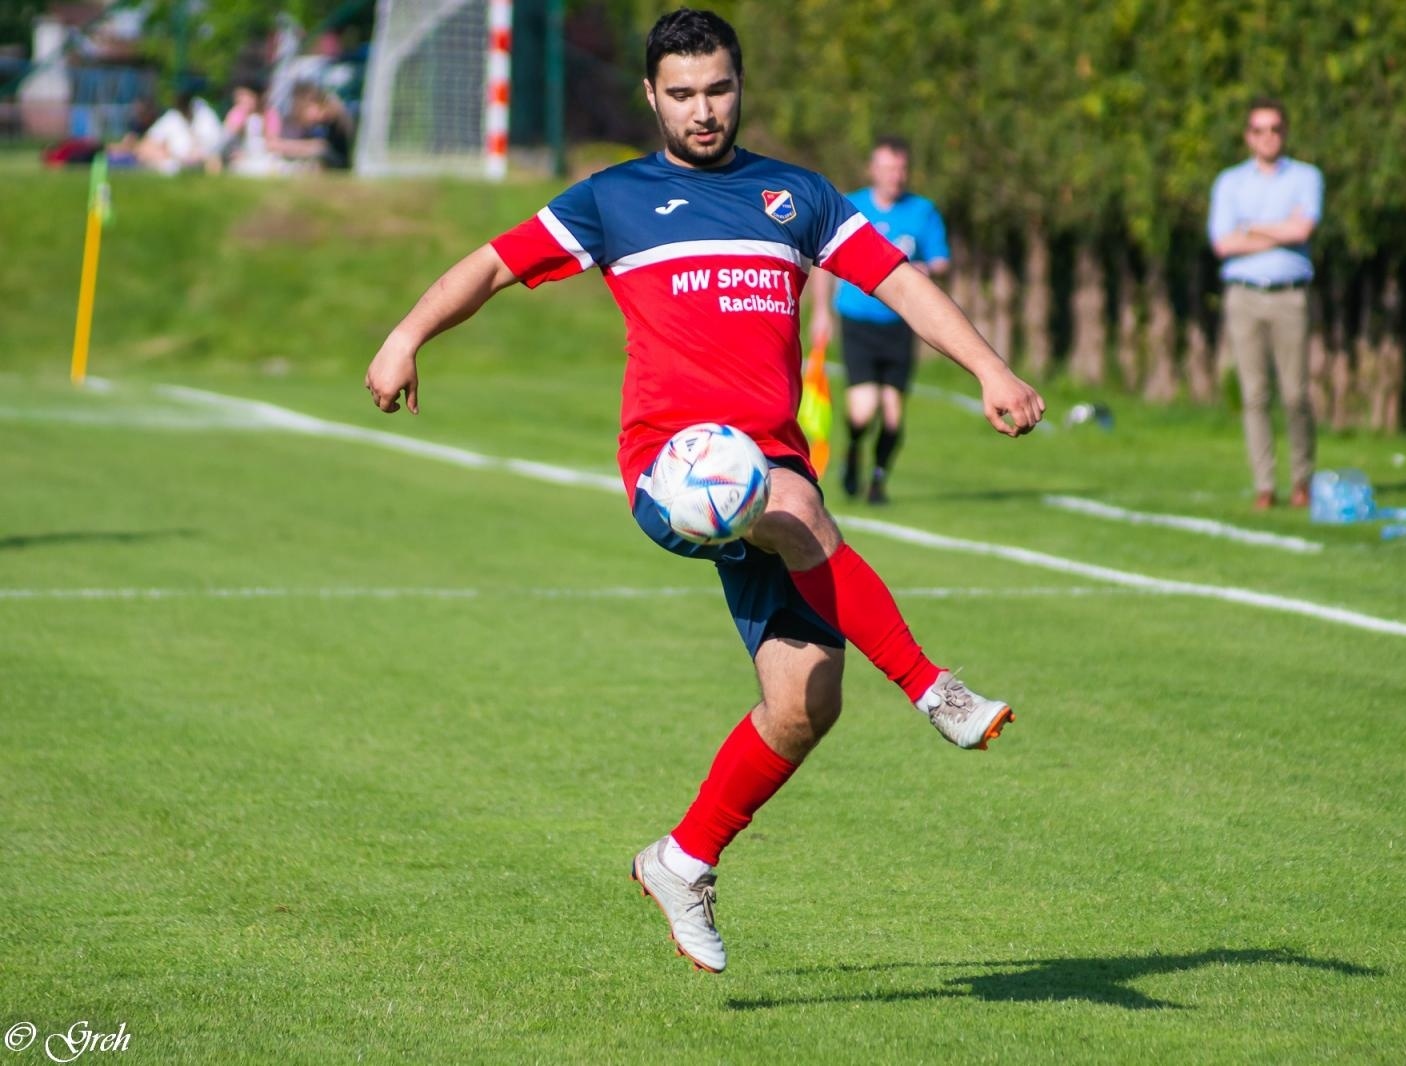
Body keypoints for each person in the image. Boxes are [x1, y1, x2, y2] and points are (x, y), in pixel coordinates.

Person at [363, 9, 1045, 975]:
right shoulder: (615, 200)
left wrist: (989, 369)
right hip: (672, 469)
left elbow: (894, 282)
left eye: (717, 89)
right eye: (681, 94)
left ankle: (681, 860)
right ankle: (935, 689)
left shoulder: (795, 196)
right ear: (651, 96)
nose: (702, 110)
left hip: (772, 467)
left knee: (806, 701)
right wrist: (404, 336)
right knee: (797, 510)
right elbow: (492, 264)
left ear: (739, 85)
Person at [807, 137, 949, 504]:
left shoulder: (922, 212)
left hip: (901, 324)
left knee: (892, 416)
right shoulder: (851, 206)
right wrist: (822, 311)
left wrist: (926, 269)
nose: (895, 176)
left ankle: (878, 481)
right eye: (887, 168)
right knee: (862, 409)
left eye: (900, 169)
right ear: (873, 170)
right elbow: (823, 261)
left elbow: (941, 260)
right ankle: (853, 452)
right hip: (858, 321)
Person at [1208, 96, 1324, 510]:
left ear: (1284, 133)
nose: (1268, 137)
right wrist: (1280, 229)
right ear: (1248, 136)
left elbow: (1303, 229)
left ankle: (1302, 480)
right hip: (1243, 296)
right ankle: (1264, 484)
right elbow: (1223, 243)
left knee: (1295, 394)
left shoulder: (1306, 177)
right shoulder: (1229, 182)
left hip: (1289, 295)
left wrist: (1252, 228)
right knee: (1254, 394)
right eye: (1259, 130)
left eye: (1275, 129)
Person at [137, 91, 225, 175]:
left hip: (200, 162)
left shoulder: (205, 115)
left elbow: (216, 148)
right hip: (176, 161)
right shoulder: (173, 116)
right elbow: (147, 144)